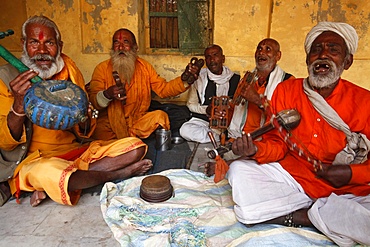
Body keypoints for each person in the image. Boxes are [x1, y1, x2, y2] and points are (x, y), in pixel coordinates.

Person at [227, 22, 370, 246]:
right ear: (307, 59)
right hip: (295, 179)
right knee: (238, 171)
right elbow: (278, 143)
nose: (323, 55)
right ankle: (321, 216)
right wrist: (256, 149)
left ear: (347, 61)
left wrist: (350, 174)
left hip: (347, 191)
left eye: (333, 50)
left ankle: (300, 216)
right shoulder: (287, 90)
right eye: (316, 49)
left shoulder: (365, 101)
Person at [0, 15, 153, 207]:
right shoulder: (6, 78)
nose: (42, 51)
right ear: (23, 44)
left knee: (135, 148)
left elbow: (86, 127)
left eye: (49, 43)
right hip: (36, 159)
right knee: (46, 171)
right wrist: (19, 105)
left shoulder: (69, 70)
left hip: (74, 151)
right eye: (34, 43)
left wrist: (82, 115)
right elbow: (5, 143)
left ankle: (67, 180)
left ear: (60, 46)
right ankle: (116, 174)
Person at [88, 28, 199, 140]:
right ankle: (131, 144)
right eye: (116, 43)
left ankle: (128, 143)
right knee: (98, 131)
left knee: (160, 116)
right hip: (110, 125)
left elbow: (163, 89)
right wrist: (107, 94)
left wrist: (184, 80)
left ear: (135, 47)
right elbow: (93, 101)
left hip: (137, 122)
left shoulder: (145, 67)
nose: (120, 47)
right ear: (112, 47)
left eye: (125, 42)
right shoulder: (102, 69)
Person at [204, 38, 294, 176]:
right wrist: (220, 113)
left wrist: (258, 100)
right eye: (259, 48)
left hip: (264, 142)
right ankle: (233, 162)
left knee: (248, 164)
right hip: (238, 138)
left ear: (278, 56)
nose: (261, 52)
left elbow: (286, 120)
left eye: (267, 49)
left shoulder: (288, 82)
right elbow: (234, 109)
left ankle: (230, 165)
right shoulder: (247, 79)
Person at [179, 44, 240, 143]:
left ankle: (219, 135)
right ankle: (218, 137)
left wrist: (226, 111)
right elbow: (191, 105)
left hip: (228, 123)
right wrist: (207, 110)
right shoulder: (198, 78)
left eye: (215, 55)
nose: (212, 60)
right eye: (208, 57)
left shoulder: (235, 79)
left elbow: (240, 108)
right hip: (204, 122)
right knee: (185, 130)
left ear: (223, 59)